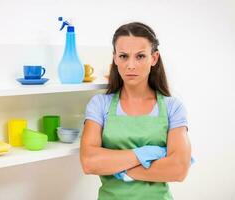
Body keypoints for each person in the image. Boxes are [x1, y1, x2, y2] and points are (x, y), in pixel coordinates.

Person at [80, 22, 192, 200]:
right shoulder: (99, 104)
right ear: (115, 58)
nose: (131, 65)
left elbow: (178, 169)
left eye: (140, 56)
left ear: (154, 59)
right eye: (123, 56)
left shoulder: (173, 107)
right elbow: (89, 162)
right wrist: (146, 154)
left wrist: (121, 169)